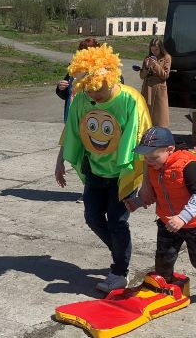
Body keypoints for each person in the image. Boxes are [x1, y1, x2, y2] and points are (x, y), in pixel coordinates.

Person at [55, 44, 152, 292]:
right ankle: (120, 252)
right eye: (88, 91)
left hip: (122, 175)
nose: (93, 97)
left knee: (118, 221)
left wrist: (147, 186)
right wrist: (60, 162)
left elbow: (143, 141)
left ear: (109, 77)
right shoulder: (83, 99)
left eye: (97, 90)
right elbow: (72, 132)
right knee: (92, 217)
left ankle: (120, 271)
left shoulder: (131, 100)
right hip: (95, 172)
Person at [127, 126, 196, 306]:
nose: (149, 162)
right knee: (163, 259)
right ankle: (165, 285)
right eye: (146, 158)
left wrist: (182, 218)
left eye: (153, 157)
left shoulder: (188, 164)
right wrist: (138, 202)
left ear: (170, 149)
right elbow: (160, 193)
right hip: (168, 223)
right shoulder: (155, 166)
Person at [56, 38, 101, 123]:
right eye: (81, 51)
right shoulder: (74, 70)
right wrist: (61, 88)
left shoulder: (105, 71)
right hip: (72, 119)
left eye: (87, 51)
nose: (83, 54)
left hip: (94, 121)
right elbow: (67, 95)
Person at [139, 38, 171, 127]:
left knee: (159, 116)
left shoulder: (166, 58)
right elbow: (142, 76)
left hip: (159, 90)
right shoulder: (147, 58)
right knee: (147, 114)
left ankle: (160, 133)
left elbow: (165, 75)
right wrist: (146, 67)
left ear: (161, 48)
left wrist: (155, 65)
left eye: (156, 49)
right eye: (152, 49)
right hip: (147, 89)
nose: (154, 52)